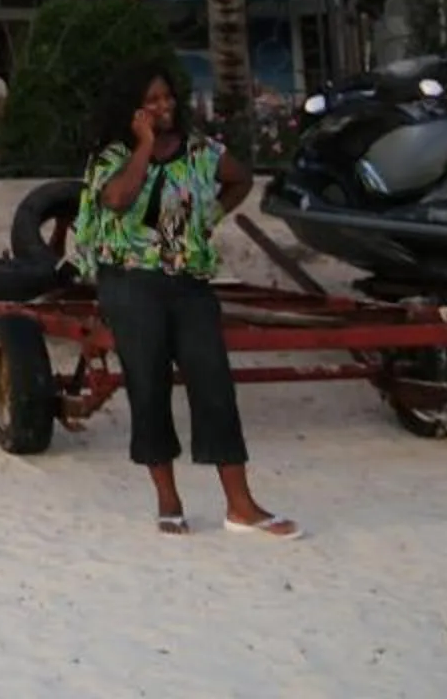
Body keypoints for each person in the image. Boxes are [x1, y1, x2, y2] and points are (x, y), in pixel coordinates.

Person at [70, 59, 300, 539]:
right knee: (148, 384)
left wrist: (208, 215)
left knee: (213, 382)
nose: (163, 107)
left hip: (186, 279)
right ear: (133, 109)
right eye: (151, 101)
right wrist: (146, 146)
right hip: (130, 281)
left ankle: (240, 504)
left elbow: (241, 178)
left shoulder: (199, 151)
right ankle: (168, 498)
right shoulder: (111, 156)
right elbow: (117, 200)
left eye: (167, 98)